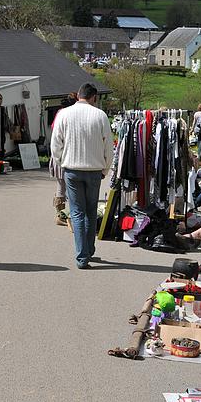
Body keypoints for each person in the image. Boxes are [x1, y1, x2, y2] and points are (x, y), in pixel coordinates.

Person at [50, 83, 113, 270]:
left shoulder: (64, 114)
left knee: (77, 212)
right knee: (91, 212)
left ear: (78, 95)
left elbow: (55, 144)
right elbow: (108, 147)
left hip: (72, 169)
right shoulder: (100, 116)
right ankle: (89, 250)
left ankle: (81, 256)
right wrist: (105, 169)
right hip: (94, 170)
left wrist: (61, 162)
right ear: (94, 97)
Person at [49, 93, 77, 226]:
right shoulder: (66, 114)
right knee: (63, 187)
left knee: (61, 186)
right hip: (63, 154)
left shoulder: (60, 113)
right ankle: (61, 216)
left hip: (59, 153)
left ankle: (63, 215)